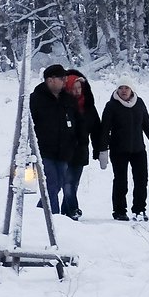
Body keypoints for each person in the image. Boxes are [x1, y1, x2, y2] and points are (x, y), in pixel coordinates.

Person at [28, 64, 90, 218]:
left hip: (64, 152)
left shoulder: (68, 99)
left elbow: (79, 122)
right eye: (62, 78)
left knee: (58, 186)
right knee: (51, 184)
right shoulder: (36, 99)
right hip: (44, 150)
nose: (64, 82)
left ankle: (40, 213)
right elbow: (27, 124)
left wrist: (79, 141)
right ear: (51, 80)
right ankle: (53, 219)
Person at [100, 81, 149, 221]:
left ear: (132, 89)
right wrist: (102, 150)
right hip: (118, 150)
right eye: (121, 88)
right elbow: (104, 130)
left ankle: (139, 210)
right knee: (121, 181)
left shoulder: (139, 103)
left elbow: (147, 124)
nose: (123, 91)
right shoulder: (111, 106)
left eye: (126, 88)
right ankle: (119, 211)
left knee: (141, 180)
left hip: (138, 149)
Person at [60, 69, 103, 219]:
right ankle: (73, 209)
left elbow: (97, 129)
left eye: (80, 88)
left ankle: (65, 212)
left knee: (73, 184)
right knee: (66, 183)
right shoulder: (62, 106)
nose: (77, 91)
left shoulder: (88, 106)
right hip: (64, 151)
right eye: (74, 88)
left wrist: (99, 149)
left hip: (81, 151)